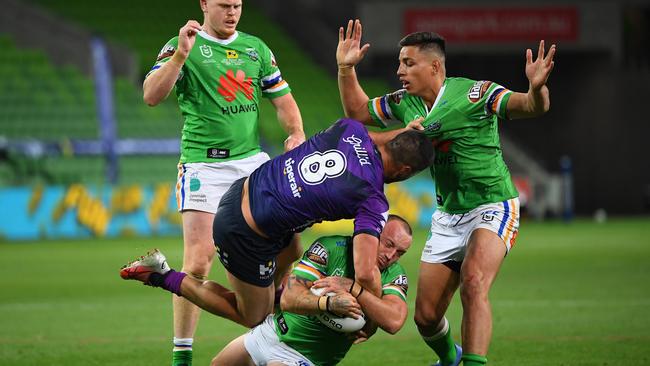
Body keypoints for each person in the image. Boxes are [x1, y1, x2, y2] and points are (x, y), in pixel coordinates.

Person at [336, 19, 556, 366]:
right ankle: (449, 359)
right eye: (399, 63)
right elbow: (358, 112)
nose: (399, 71)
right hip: (449, 215)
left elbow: (530, 106)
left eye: (408, 63)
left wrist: (537, 89)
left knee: (473, 281)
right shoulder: (404, 103)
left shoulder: (475, 94)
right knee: (425, 316)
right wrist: (346, 68)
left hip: (492, 204)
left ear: (434, 66)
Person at [120, 118, 434, 339]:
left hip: (244, 191)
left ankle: (279, 300)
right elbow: (366, 274)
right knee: (251, 315)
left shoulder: (349, 128)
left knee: (294, 250)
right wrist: (371, 315)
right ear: (406, 172)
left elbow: (375, 139)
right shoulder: (373, 200)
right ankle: (161, 275)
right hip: (245, 233)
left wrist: (405, 133)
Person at [142, 0, 305, 364]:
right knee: (198, 262)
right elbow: (152, 96)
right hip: (204, 167)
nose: (232, 12)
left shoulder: (256, 48)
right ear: (204, 4)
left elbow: (284, 100)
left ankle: (268, 328)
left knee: (291, 248)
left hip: (252, 163)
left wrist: (295, 133)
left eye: (238, 5)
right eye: (224, 5)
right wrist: (180, 57)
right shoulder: (183, 43)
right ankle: (181, 355)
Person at [210, 214, 412, 366]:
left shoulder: (394, 275)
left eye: (399, 253)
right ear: (373, 233)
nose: (390, 255)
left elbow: (394, 321)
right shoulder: (330, 247)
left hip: (303, 357)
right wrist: (329, 304)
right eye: (388, 244)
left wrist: (352, 288)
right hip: (271, 331)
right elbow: (289, 298)